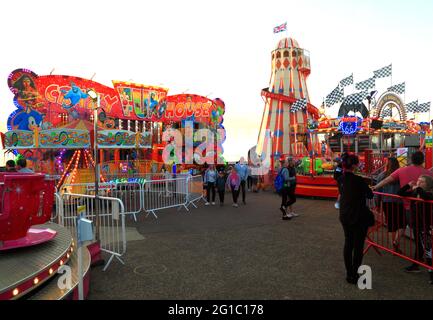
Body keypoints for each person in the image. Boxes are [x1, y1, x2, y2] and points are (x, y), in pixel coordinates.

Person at [338, 153, 374, 284]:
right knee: (358, 246)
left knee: (348, 243)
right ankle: (355, 273)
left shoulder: (340, 179)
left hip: (345, 215)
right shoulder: (359, 180)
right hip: (358, 216)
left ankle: (349, 274)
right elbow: (370, 195)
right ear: (355, 165)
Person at [397, 175, 433, 280]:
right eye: (418, 180)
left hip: (425, 225)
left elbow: (425, 196)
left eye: (422, 182)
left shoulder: (429, 194)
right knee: (419, 245)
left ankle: (431, 271)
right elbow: (400, 193)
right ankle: (415, 265)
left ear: (428, 184)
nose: (418, 183)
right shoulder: (415, 192)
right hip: (416, 223)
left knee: (427, 248)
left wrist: (418, 188)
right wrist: (408, 185)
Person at [376, 157, 404, 253]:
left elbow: (378, 192)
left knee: (391, 225)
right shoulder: (401, 175)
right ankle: (396, 242)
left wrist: (377, 205)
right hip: (400, 202)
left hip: (386, 202)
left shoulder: (381, 175)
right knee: (402, 224)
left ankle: (393, 248)